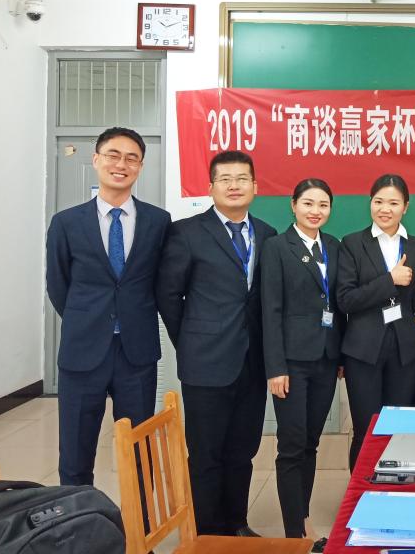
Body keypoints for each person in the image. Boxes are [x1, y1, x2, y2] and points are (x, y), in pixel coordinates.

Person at [156, 150, 276, 537]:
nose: (234, 186)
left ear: (255, 186)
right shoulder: (187, 232)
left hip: (252, 361)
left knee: (243, 450)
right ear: (211, 187)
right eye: (225, 179)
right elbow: (168, 295)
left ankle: (237, 524)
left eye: (242, 179)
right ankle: (207, 532)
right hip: (205, 362)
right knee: (206, 453)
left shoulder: (268, 234)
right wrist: (191, 341)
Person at [45, 127, 170, 487]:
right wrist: (88, 321)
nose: (121, 164)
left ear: (140, 166)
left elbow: (161, 282)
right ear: (97, 159)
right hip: (83, 352)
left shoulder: (158, 222)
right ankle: (80, 519)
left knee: (139, 451)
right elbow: (58, 285)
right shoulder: (67, 223)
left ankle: (140, 520)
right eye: (113, 155)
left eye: (132, 158)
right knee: (75, 452)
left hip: (136, 353)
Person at [337, 174, 415, 470]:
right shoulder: (352, 244)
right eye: (379, 202)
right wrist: (390, 280)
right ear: (370, 203)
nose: (385, 209)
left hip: (404, 351)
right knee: (366, 430)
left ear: (406, 207)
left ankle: (394, 489)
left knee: (399, 429)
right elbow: (346, 299)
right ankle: (361, 492)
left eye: (393, 203)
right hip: (363, 351)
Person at [261, 178, 346, 545]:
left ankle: (304, 519)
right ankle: (293, 533)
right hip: (291, 362)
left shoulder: (334, 246)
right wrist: (275, 367)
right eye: (308, 203)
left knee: (311, 442)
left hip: (326, 358)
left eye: (323, 205)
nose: (315, 211)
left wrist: (341, 355)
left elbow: (339, 304)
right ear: (293, 205)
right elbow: (270, 310)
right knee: (292, 446)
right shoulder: (277, 247)